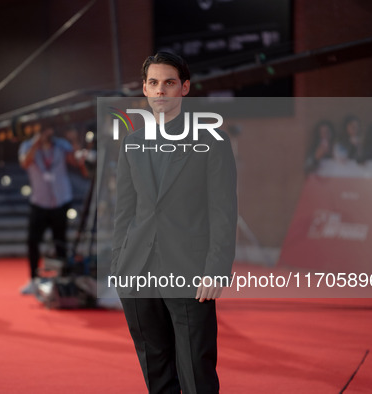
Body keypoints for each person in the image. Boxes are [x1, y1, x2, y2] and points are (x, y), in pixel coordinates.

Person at [111, 52, 237, 393]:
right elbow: (124, 211)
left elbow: (224, 212)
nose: (161, 91)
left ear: (185, 88)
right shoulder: (131, 143)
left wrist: (216, 269)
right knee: (156, 372)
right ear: (145, 90)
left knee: (196, 370)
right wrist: (118, 264)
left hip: (190, 273)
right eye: (154, 83)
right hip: (137, 271)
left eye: (169, 83)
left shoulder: (213, 142)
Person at [18, 124, 83, 295]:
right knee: (33, 240)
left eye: (49, 130)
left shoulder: (61, 145)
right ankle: (33, 279)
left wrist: (74, 141)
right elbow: (25, 163)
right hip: (39, 201)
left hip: (61, 200)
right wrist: (35, 144)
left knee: (60, 241)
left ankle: (62, 281)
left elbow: (77, 162)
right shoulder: (27, 146)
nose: (47, 133)